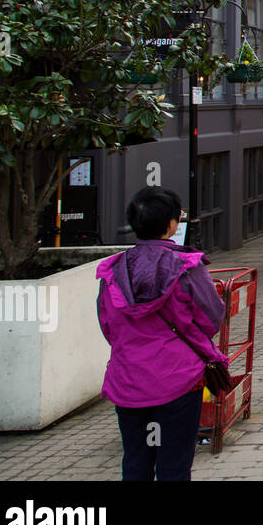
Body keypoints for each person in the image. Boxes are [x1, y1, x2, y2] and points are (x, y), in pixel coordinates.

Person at [97, 186, 227, 481]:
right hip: (179, 380)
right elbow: (212, 317)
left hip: (128, 381)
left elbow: (108, 325)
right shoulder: (186, 267)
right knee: (175, 466)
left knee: (134, 462)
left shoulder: (113, 272)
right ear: (171, 225)